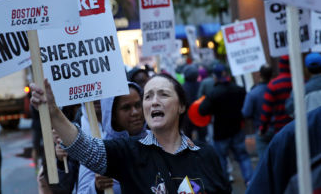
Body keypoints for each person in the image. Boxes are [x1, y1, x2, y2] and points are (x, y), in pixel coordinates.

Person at [31, 74, 231, 193]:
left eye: (163, 94)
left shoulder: (207, 155)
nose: (154, 101)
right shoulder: (128, 151)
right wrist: (54, 113)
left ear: (181, 106)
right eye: (148, 96)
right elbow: (86, 149)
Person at [77, 82, 147, 193]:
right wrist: (96, 187)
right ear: (112, 114)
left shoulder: (156, 140)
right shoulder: (98, 150)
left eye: (138, 105)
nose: (135, 112)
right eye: (126, 108)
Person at [246, 105, 321, 194]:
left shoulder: (289, 136)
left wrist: (262, 128)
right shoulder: (289, 137)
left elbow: (251, 111)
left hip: (276, 131)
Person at [199, 64, 254, 185]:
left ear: (215, 77)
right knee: (243, 157)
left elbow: (202, 110)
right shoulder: (239, 89)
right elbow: (246, 107)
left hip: (221, 133)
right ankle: (250, 181)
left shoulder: (213, 93)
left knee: (221, 160)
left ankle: (224, 185)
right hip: (237, 129)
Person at [242, 64, 273, 159]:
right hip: (278, 128)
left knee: (264, 161)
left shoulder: (253, 93)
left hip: (261, 130)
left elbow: (246, 112)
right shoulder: (275, 89)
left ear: (260, 74)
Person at [259, 55, 293, 139]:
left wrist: (262, 129)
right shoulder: (301, 81)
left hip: (281, 128)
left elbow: (267, 111)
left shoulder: (273, 85)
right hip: (300, 125)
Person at [182, 64, 207, 142]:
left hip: (188, 116)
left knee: (189, 138)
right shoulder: (201, 85)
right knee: (203, 139)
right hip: (200, 114)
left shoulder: (183, 87)